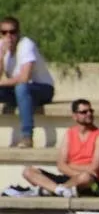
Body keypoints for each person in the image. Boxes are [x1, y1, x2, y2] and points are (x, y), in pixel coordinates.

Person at [22, 98, 99, 197]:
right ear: (75, 116)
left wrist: (70, 165)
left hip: (91, 183)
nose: (89, 114)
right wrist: (74, 172)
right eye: (84, 112)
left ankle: (53, 189)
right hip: (69, 179)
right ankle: (60, 190)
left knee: (85, 177)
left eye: (91, 111)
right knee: (28, 171)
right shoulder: (70, 133)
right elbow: (60, 165)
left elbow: (94, 168)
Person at [0, 16, 55, 148]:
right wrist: (1, 56)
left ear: (18, 33)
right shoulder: (1, 46)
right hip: (18, 91)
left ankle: (27, 136)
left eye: (12, 32)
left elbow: (24, 78)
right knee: (20, 89)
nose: (8, 36)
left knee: (21, 88)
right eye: (4, 32)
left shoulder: (26, 45)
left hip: (42, 89)